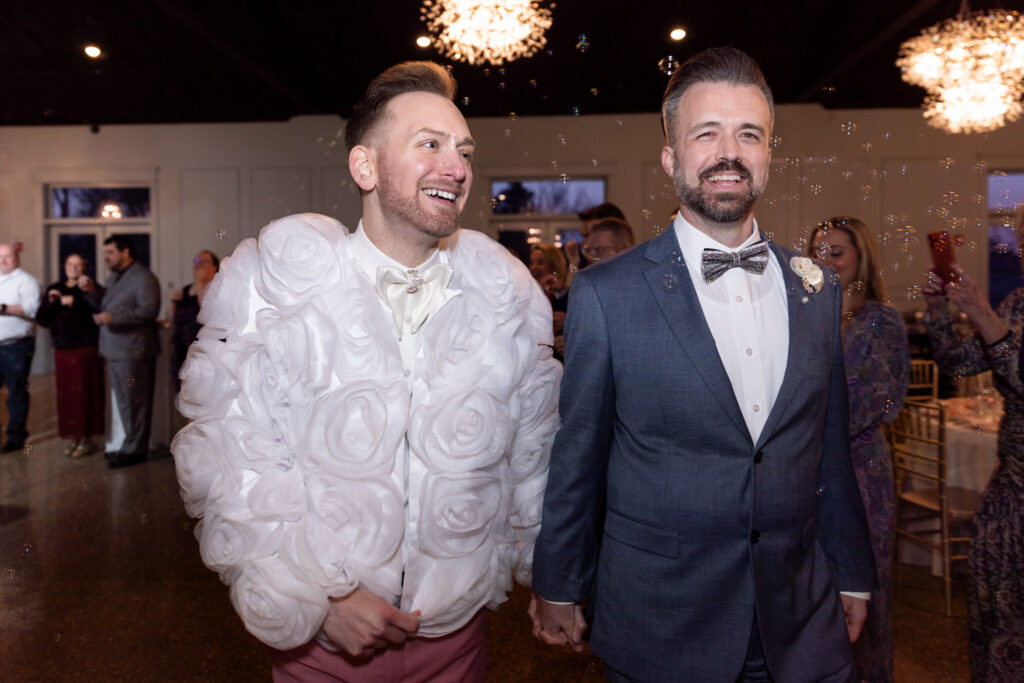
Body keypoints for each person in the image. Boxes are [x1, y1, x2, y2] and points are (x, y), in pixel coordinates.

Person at [171, 61, 560, 682]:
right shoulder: (281, 291)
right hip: (323, 647)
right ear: (366, 167)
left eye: (463, 150)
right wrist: (322, 596)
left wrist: (551, 576)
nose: (456, 167)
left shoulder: (502, 300)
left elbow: (530, 456)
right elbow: (233, 460)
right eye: (428, 145)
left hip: (456, 639)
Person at [530, 46, 875, 682]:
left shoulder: (819, 291)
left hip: (800, 616)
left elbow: (829, 449)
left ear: (769, 154)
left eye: (749, 134)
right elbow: (579, 454)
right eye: (706, 133)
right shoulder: (608, 293)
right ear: (671, 158)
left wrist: (851, 570)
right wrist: (558, 581)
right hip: (661, 617)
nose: (729, 152)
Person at [922, 204, 1024, 682]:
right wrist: (940, 311)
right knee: (1000, 630)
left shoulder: (1003, 312)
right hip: (1009, 500)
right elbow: (960, 365)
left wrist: (985, 316)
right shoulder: (1019, 304)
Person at [809, 216, 910, 682]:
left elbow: (869, 401)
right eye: (817, 251)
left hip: (859, 475)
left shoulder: (879, 320)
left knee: (858, 594)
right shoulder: (805, 313)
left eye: (836, 252)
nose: (823, 261)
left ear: (861, 258)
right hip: (806, 475)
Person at [82, 235, 161, 469]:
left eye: (110, 252)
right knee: (125, 403)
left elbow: (148, 310)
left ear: (125, 252)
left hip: (134, 350)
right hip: (115, 349)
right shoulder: (115, 277)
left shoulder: (144, 278)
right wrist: (91, 292)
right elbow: (107, 304)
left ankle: (136, 450)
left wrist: (113, 318)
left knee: (136, 402)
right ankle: (129, 445)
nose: (106, 257)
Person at [36, 253, 106, 458]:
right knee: (67, 396)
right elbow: (42, 320)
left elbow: (99, 311)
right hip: (62, 350)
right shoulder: (55, 288)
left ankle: (87, 438)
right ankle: (74, 437)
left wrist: (80, 299)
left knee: (85, 394)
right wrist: (53, 303)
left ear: (85, 267)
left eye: (78, 264)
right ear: (64, 266)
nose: (73, 268)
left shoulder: (91, 288)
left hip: (85, 348)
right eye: (69, 264)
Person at [0, 242, 41, 453]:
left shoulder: (27, 281)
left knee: (16, 392)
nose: (3, 261)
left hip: (16, 346)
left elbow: (33, 310)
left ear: (17, 257)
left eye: (7, 256)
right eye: (0, 256)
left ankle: (16, 438)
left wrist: (4, 308)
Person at [170, 250, 219, 392]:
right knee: (183, 394)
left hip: (204, 353)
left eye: (205, 261)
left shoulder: (217, 288)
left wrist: (200, 284)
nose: (200, 265)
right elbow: (174, 319)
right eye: (197, 261)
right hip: (182, 352)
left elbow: (208, 315)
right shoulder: (186, 290)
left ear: (215, 267)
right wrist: (172, 303)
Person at [529, 244, 569, 359]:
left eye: (540, 263)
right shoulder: (527, 293)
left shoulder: (564, 293)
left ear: (554, 265)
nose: (534, 267)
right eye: (532, 263)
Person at [565, 202, 626, 272]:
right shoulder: (584, 263)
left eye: (588, 235)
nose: (584, 243)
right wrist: (574, 262)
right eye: (583, 237)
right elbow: (575, 283)